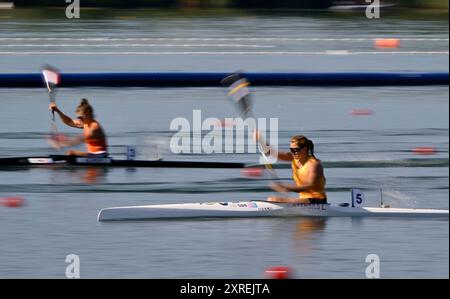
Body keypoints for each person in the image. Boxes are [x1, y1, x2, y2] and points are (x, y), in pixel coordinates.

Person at [257, 134, 327, 204]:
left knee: (272, 199)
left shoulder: (314, 164)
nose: (293, 153)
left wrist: (285, 187)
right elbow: (271, 153)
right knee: (271, 199)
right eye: (291, 150)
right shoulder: (293, 158)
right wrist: (261, 140)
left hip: (318, 200)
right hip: (304, 199)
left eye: (296, 150)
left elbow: (309, 186)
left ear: (305, 149)